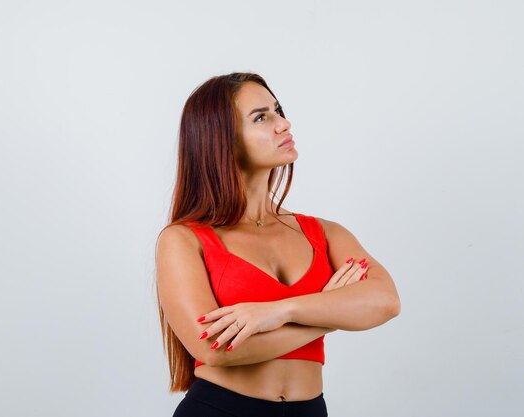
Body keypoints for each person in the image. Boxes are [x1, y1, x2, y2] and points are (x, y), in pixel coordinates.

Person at [154, 72, 401, 417]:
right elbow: (214, 350)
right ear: (222, 140)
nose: (284, 124)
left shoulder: (324, 233)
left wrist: (277, 312)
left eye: (278, 110)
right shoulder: (183, 239)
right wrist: (331, 313)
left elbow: (386, 302)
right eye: (261, 117)